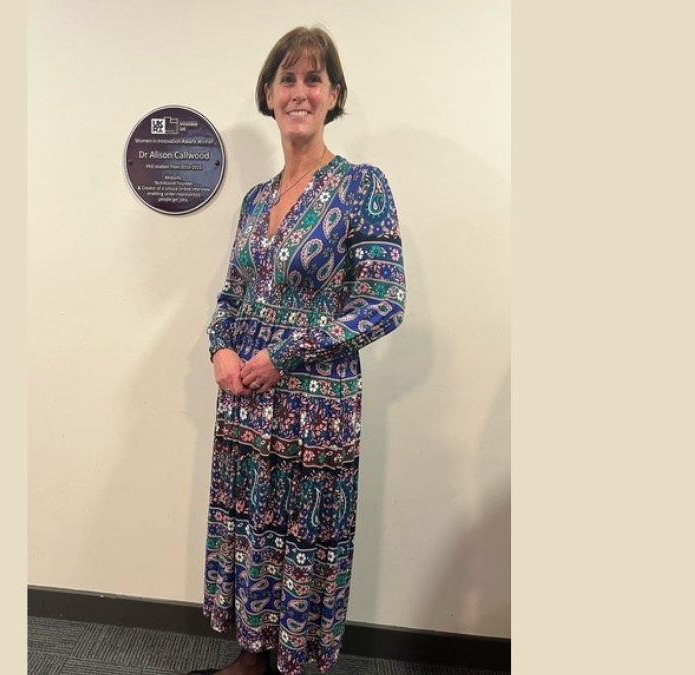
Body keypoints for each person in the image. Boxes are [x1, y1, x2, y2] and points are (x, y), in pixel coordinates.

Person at [191, 26, 406, 675]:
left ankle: (294, 664)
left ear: (333, 94)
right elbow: (232, 292)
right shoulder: (256, 199)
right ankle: (252, 657)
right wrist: (220, 350)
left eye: (313, 79)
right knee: (254, 530)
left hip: (317, 408)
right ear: (269, 92)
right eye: (288, 78)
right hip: (247, 400)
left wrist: (287, 352)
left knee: (304, 540)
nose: (300, 91)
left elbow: (384, 301)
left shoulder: (361, 186)